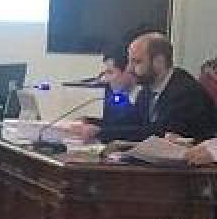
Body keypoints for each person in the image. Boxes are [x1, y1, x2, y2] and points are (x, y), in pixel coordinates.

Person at [76, 33, 217, 143]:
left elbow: (156, 133)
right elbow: (131, 122)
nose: (130, 69)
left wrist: (101, 132)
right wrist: (92, 122)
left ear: (159, 62)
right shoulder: (148, 90)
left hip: (195, 174)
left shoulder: (185, 92)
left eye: (137, 62)